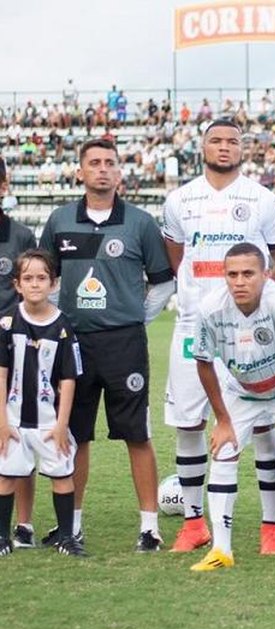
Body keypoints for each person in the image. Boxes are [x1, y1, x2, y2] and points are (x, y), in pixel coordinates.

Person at [162, 118, 275, 554]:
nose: (224, 147)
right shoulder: (179, 200)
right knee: (189, 421)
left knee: (260, 421)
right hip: (193, 323)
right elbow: (177, 254)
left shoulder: (263, 199)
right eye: (215, 140)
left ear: (243, 149)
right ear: (201, 147)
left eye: (232, 142)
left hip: (248, 326)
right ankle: (195, 521)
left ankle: (269, 526)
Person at [39, 138, 175, 551]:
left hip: (124, 344)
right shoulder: (60, 220)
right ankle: (71, 526)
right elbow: (43, 276)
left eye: (109, 163)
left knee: (137, 433)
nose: (102, 169)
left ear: (119, 173)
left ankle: (149, 527)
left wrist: (133, 317)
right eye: (93, 163)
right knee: (75, 435)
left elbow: (163, 281)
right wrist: (59, 319)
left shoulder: (139, 223)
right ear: (79, 172)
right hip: (73, 343)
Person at [188, 244, 275, 572]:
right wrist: (221, 420)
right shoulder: (209, 308)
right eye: (232, 274)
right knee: (223, 452)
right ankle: (221, 549)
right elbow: (203, 364)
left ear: (266, 274)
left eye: (248, 273)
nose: (240, 281)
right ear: (224, 276)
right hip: (240, 392)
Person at [0, 251, 84, 557]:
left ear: (53, 283)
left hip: (50, 420)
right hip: (14, 419)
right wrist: (2, 421)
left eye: (41, 278)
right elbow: (1, 373)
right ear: (17, 285)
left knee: (61, 474)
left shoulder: (63, 326)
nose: (35, 284)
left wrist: (62, 425)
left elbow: (69, 378)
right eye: (28, 278)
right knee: (6, 474)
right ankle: (2, 538)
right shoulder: (7, 322)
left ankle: (66, 537)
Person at [0, 158, 39, 549]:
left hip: (14, 351)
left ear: (4, 185)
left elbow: (34, 289)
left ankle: (24, 524)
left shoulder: (21, 236)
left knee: (20, 435)